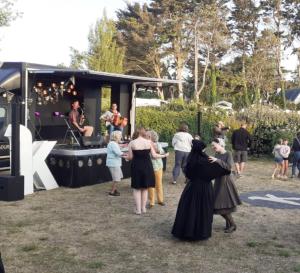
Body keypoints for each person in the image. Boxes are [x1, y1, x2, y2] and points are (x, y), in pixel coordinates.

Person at [171, 140, 231, 241]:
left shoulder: (191, 160)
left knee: (190, 209)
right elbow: (226, 170)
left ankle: (186, 231)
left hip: (192, 187)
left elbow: (188, 173)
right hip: (205, 188)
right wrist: (217, 161)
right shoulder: (207, 161)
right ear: (202, 149)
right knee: (202, 209)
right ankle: (200, 233)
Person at [124, 127, 169, 215]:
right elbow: (155, 155)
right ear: (144, 133)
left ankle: (138, 210)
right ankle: (143, 208)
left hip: (136, 167)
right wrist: (164, 155)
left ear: (137, 133)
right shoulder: (149, 142)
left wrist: (125, 157)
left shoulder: (132, 143)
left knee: (137, 188)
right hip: (147, 166)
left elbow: (130, 157)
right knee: (145, 188)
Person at [210, 139, 242, 233]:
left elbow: (228, 167)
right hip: (219, 181)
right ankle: (229, 224)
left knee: (221, 205)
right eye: (212, 146)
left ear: (220, 144)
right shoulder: (217, 155)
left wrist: (217, 160)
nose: (213, 148)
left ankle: (232, 225)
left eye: (214, 145)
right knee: (223, 205)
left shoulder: (228, 154)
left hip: (226, 182)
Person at [146, 130, 167, 208]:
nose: (146, 136)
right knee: (150, 185)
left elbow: (162, 152)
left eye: (147, 135)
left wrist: (157, 150)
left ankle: (160, 200)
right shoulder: (146, 144)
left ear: (150, 137)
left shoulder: (157, 144)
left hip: (157, 166)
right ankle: (151, 202)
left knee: (158, 184)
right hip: (149, 167)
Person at [106, 131, 124, 196]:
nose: (121, 137)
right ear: (117, 136)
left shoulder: (113, 143)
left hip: (114, 163)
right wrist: (126, 154)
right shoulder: (113, 144)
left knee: (117, 177)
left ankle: (114, 189)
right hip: (114, 163)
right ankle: (112, 192)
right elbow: (118, 153)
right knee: (116, 178)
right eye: (120, 136)